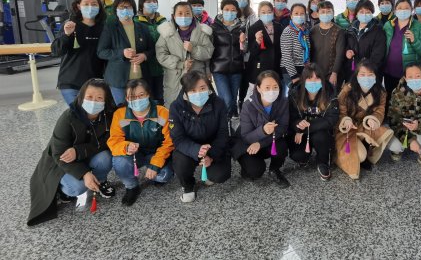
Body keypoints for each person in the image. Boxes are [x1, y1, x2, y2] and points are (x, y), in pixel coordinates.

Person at [28, 79, 116, 226]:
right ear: (81, 97)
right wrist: (84, 174)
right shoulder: (68, 117)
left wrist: (78, 151)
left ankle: (100, 182)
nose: (93, 102)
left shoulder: (108, 116)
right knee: (77, 187)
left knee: (105, 157)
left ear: (106, 101)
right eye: (89, 97)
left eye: (99, 98)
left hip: (85, 155)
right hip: (63, 162)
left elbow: (107, 141)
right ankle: (62, 191)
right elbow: (58, 154)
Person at [108, 79, 174, 206]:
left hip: (155, 153)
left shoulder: (162, 112)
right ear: (127, 98)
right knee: (120, 162)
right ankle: (132, 186)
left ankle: (154, 174)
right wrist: (126, 147)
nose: (137, 99)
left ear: (148, 94)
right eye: (132, 97)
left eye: (141, 95)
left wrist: (155, 164)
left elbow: (169, 142)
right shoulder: (120, 114)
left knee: (164, 175)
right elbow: (114, 141)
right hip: (134, 155)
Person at [170, 71, 231, 203]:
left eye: (202, 88)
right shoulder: (176, 107)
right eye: (192, 90)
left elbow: (223, 133)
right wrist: (196, 149)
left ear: (209, 87)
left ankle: (209, 172)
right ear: (185, 92)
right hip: (189, 147)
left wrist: (211, 155)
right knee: (180, 164)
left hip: (213, 145)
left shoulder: (219, 103)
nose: (198, 93)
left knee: (220, 175)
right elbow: (178, 138)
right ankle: (188, 185)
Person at [335, 60, 393, 180]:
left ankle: (366, 149)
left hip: (365, 126)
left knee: (386, 138)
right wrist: (345, 120)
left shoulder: (381, 92)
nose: (366, 78)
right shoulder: (347, 90)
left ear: (376, 76)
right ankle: (337, 155)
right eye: (362, 74)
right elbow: (340, 111)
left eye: (370, 74)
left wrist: (373, 119)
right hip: (349, 128)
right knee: (361, 156)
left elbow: (380, 111)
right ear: (356, 75)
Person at [233, 71, 290, 188]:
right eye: (267, 87)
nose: (272, 91)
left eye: (275, 87)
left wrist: (261, 143)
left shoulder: (283, 102)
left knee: (281, 146)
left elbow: (282, 127)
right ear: (258, 88)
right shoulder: (248, 105)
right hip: (248, 144)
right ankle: (246, 168)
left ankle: (274, 169)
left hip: (266, 141)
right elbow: (246, 136)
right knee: (255, 171)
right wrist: (263, 130)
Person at [97, 0, 156, 105]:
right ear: (116, 10)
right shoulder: (110, 28)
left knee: (142, 108)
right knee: (122, 110)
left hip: (141, 78)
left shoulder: (143, 27)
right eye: (121, 7)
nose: (125, 10)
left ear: (133, 9)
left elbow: (152, 49)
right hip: (118, 79)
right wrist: (122, 53)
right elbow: (101, 52)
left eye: (128, 7)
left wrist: (144, 56)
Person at [52, 0, 106, 105]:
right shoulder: (70, 25)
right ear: (78, 6)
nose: (90, 7)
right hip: (71, 83)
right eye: (86, 4)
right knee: (78, 112)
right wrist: (67, 35)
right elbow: (56, 51)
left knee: (94, 113)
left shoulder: (104, 28)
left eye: (94, 4)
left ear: (99, 6)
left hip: (96, 83)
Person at [156, 2, 214, 107]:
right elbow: (161, 54)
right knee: (174, 108)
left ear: (192, 15)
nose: (184, 16)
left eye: (187, 13)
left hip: (197, 76)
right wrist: (180, 64)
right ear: (174, 16)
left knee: (197, 107)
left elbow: (208, 52)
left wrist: (194, 50)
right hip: (174, 79)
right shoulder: (166, 33)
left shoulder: (201, 32)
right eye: (180, 13)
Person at [288, 64, 339, 181]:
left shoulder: (330, 94)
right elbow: (291, 117)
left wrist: (305, 129)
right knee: (298, 156)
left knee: (320, 137)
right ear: (303, 80)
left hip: (320, 132)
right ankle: (305, 156)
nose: (313, 82)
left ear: (322, 80)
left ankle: (322, 161)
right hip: (301, 132)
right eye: (309, 78)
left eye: (317, 78)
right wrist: (297, 125)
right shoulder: (295, 94)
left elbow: (331, 119)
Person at [387, 63, 421, 171]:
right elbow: (393, 119)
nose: (414, 79)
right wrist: (410, 140)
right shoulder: (397, 93)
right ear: (405, 78)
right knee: (394, 145)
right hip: (402, 128)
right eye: (410, 77)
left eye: (418, 76)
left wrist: (418, 126)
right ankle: (398, 150)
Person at [382, 0, 421, 95]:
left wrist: (414, 40)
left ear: (411, 10)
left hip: (410, 75)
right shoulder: (388, 25)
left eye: (406, 8)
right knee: (390, 97)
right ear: (395, 10)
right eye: (400, 8)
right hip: (389, 71)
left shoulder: (419, 26)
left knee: (407, 100)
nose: (403, 10)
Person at [210, 0, 246, 119]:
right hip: (219, 69)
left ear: (237, 11)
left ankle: (231, 123)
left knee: (233, 99)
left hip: (236, 69)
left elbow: (245, 50)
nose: (229, 12)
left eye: (233, 10)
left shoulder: (242, 27)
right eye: (226, 9)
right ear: (222, 10)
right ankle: (224, 122)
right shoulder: (214, 27)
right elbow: (209, 48)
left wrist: (243, 42)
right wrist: (207, 70)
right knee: (227, 99)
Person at [134, 0, 167, 105]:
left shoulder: (163, 21)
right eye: (148, 2)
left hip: (161, 65)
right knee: (146, 95)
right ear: (141, 5)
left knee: (161, 96)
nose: (152, 3)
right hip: (144, 65)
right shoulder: (136, 21)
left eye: (154, 1)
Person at [246, 1, 283, 99]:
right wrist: (257, 42)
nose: (266, 14)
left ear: (273, 12)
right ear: (259, 13)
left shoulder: (279, 27)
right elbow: (252, 52)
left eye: (269, 11)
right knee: (256, 96)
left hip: (276, 67)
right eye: (263, 12)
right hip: (259, 68)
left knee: (274, 95)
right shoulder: (254, 28)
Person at [344, 0, 387, 83]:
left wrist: (365, 69)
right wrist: (347, 51)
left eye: (368, 12)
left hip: (369, 73)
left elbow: (378, 55)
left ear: (372, 14)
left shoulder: (378, 31)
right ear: (357, 14)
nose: (364, 14)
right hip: (352, 71)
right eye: (361, 12)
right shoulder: (351, 28)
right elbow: (347, 44)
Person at [310, 1, 345, 91]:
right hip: (315, 73)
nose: (326, 14)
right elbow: (310, 52)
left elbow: (340, 54)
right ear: (317, 14)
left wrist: (334, 73)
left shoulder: (339, 31)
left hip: (332, 73)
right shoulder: (313, 30)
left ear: (333, 13)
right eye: (322, 11)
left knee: (331, 96)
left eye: (329, 11)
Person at [234, 0, 259, 114]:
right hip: (234, 55)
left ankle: (242, 103)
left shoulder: (253, 17)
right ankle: (235, 105)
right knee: (236, 81)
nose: (241, 0)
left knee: (245, 81)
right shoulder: (233, 16)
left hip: (248, 55)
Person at [280, 3, 310, 88]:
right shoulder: (288, 31)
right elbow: (286, 56)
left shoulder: (305, 31)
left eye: (302, 13)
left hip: (303, 69)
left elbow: (306, 51)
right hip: (291, 71)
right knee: (295, 94)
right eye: (296, 13)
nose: (299, 16)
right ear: (291, 15)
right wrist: (294, 76)